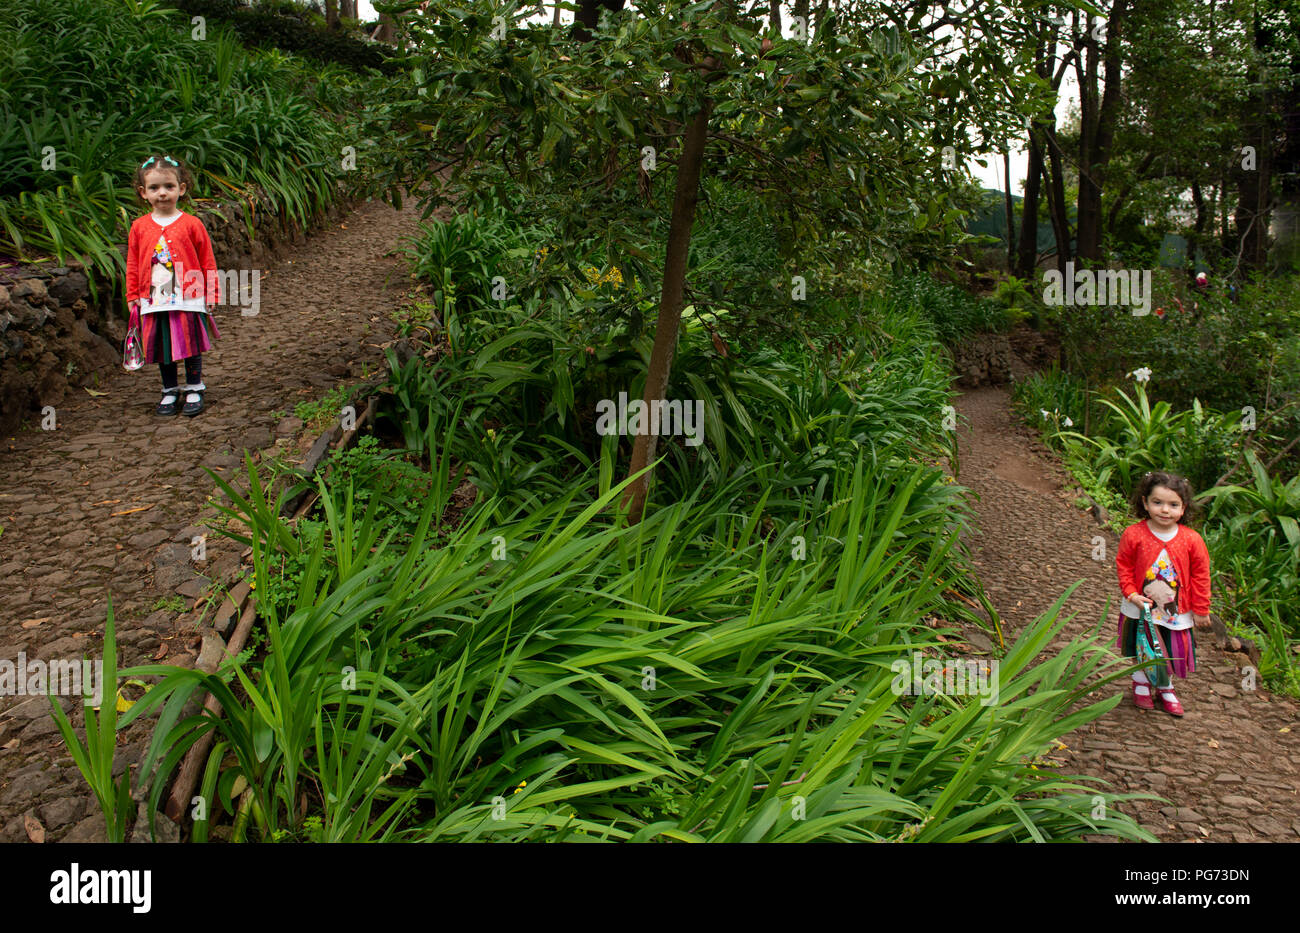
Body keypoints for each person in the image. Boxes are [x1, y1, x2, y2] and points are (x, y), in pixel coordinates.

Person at [126, 154, 220, 416]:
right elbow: (133, 262)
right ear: (143, 193)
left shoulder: (192, 224)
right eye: (154, 188)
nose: (162, 193)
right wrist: (133, 293)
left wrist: (211, 292)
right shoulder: (139, 227)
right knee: (162, 344)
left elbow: (207, 261)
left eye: (169, 186)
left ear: (182, 188)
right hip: (154, 298)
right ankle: (169, 390)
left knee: (189, 342)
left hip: (187, 296)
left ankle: (193, 387)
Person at [1114, 471, 1212, 716]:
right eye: (1157, 503)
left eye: (1173, 504)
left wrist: (1201, 609)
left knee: (1170, 647)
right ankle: (1141, 682)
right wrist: (1131, 594)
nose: (1165, 510)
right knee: (1140, 643)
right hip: (1140, 604)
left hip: (1174, 610)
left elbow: (1201, 575)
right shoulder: (1134, 534)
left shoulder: (1192, 540)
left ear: (1183, 508)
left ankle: (1165, 686)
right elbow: (1124, 565)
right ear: (1145, 503)